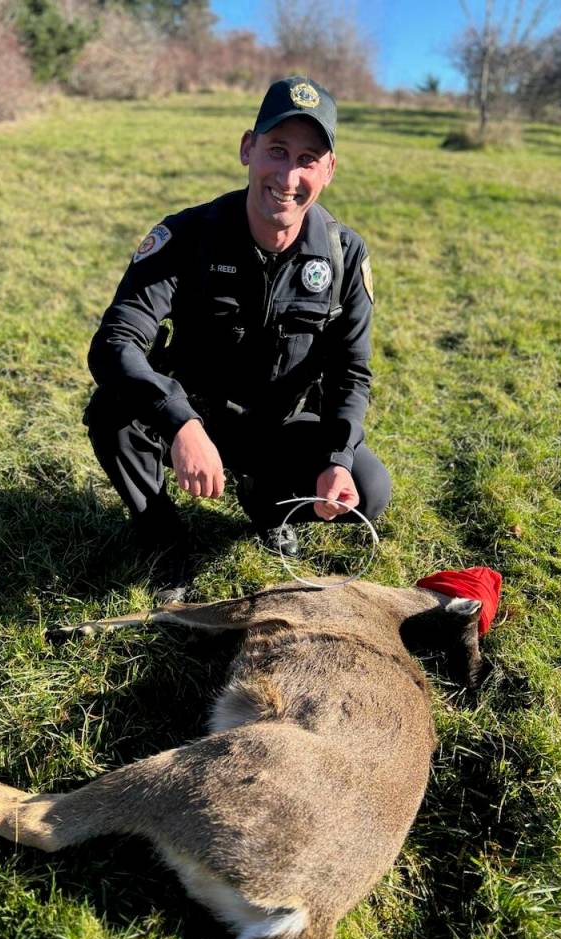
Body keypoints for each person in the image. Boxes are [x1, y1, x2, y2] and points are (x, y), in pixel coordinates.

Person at [85, 76, 391, 600]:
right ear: (248, 148)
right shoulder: (187, 236)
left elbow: (352, 373)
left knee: (371, 487)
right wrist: (180, 421)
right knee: (112, 411)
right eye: (277, 151)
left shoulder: (344, 254)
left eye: (308, 159)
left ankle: (269, 506)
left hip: (280, 427)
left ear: (329, 171)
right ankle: (163, 540)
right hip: (195, 414)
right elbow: (115, 342)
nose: (288, 176)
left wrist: (338, 460)